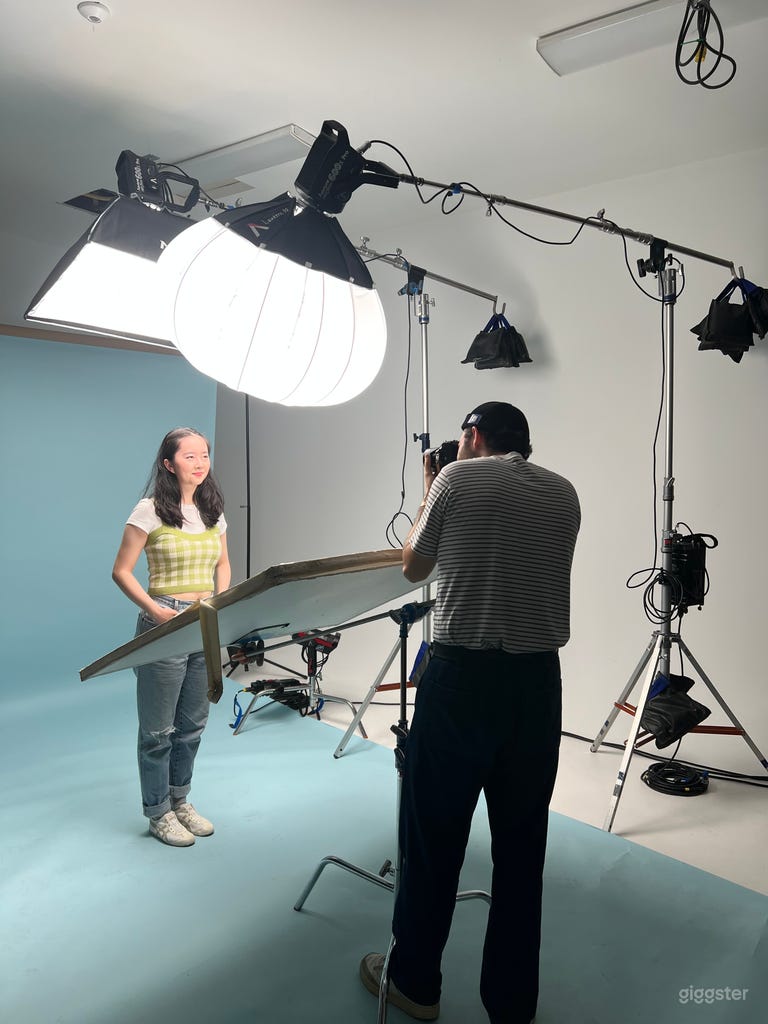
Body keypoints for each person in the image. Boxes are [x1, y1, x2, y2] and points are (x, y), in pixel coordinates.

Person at [360, 402, 580, 1023]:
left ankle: (414, 986)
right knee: (521, 848)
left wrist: (434, 486)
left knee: (434, 838)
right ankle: (511, 1004)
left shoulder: (456, 478)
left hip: (462, 681)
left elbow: (414, 566)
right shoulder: (564, 493)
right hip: (538, 687)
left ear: (473, 436)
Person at [112, 427, 230, 848]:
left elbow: (223, 566)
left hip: (205, 622)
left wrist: (219, 602)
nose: (200, 464)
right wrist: (154, 609)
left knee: (192, 725)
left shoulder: (212, 511)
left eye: (204, 456)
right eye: (190, 457)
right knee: (158, 730)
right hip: (165, 621)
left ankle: (181, 801)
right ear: (168, 463)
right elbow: (121, 570)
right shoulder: (149, 510)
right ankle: (158, 811)